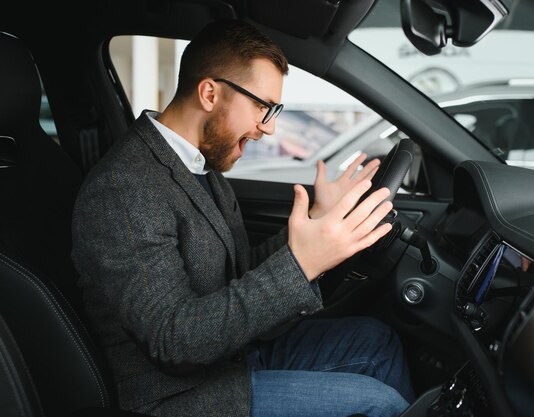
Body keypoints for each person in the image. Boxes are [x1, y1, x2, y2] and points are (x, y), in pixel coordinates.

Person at [71, 19, 415, 417]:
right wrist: (302, 264)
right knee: (381, 405)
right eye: (262, 107)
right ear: (210, 93)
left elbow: (238, 272)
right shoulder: (123, 190)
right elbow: (173, 341)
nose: (268, 128)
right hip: (180, 396)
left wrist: (317, 221)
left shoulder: (201, 166)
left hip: (228, 357)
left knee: (377, 341)